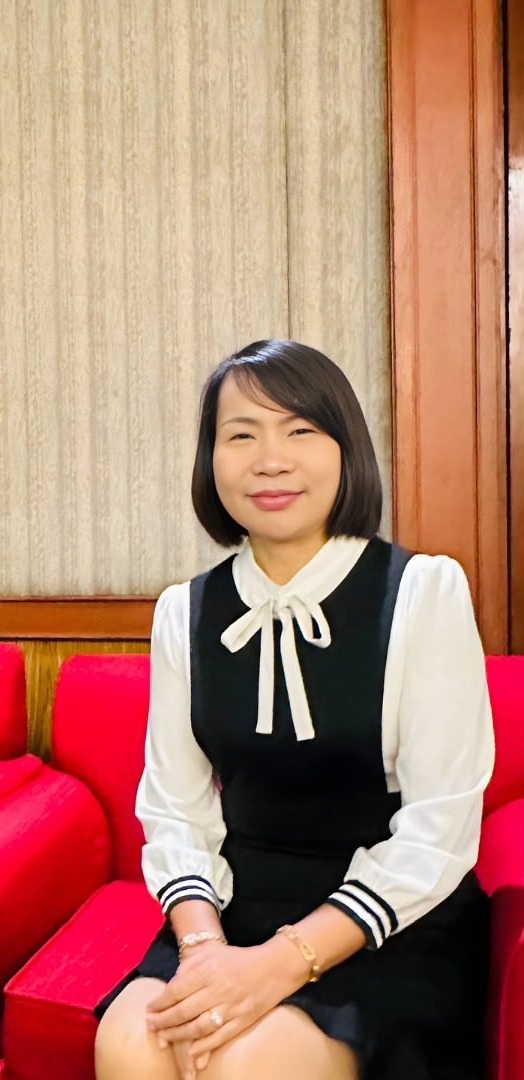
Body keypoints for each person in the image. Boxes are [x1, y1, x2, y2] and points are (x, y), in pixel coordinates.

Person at [94, 340, 494, 1080]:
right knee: (129, 1043)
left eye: (300, 430)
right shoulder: (185, 611)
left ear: (346, 449)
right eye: (241, 434)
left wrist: (281, 963)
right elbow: (175, 808)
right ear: (211, 460)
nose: (270, 460)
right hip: (233, 907)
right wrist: (204, 949)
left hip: (388, 918)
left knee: (250, 1062)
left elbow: (439, 831)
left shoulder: (423, 592)